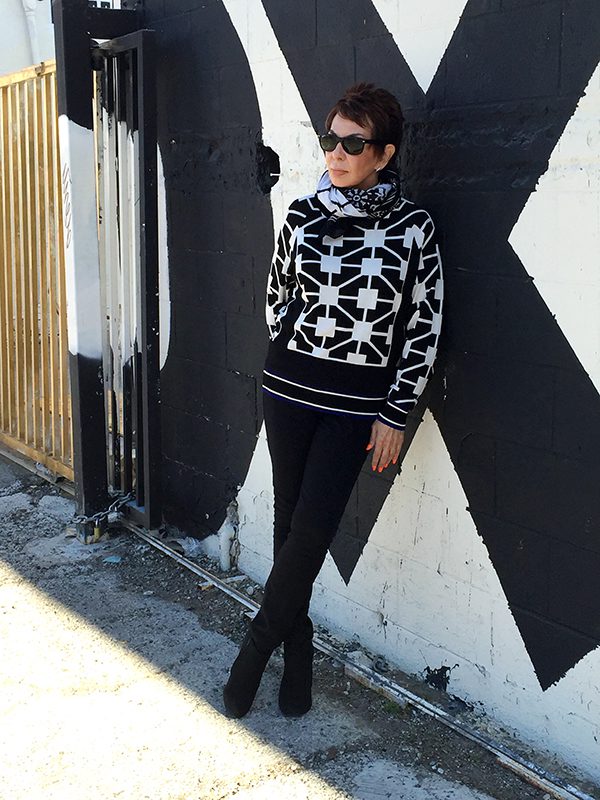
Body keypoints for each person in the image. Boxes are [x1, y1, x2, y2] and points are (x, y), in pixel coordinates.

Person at [223, 82, 443, 719]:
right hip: (288, 390)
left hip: (356, 408)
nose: (338, 153)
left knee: (311, 531)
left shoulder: (414, 229)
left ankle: (256, 648)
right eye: (331, 140)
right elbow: (276, 299)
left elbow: (423, 327)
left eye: (354, 143)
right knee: (289, 525)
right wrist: (298, 346)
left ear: (384, 152)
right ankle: (298, 662)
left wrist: (395, 412)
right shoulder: (301, 214)